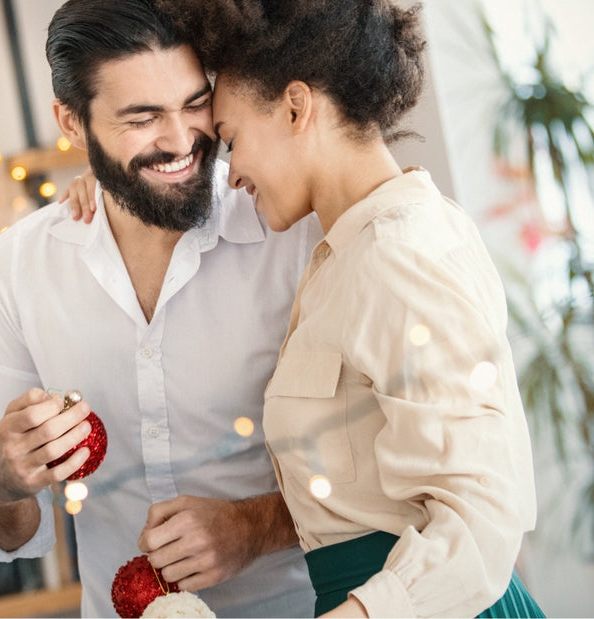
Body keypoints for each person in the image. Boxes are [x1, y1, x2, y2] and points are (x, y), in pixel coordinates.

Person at [145, 0, 545, 617]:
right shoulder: (344, 253)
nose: (232, 173)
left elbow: (482, 520)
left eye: (231, 140)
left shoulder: (399, 253)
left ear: (297, 106)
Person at [0, 0, 321, 616]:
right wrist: (2, 479)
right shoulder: (18, 265)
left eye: (195, 104)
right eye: (142, 118)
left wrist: (257, 526)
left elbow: (381, 462)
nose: (181, 141)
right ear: (73, 122)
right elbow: (0, 528)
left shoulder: (289, 229)